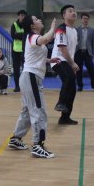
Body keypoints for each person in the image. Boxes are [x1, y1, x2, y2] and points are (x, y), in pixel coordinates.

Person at [8, 15, 60, 158]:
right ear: (32, 26)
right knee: (38, 111)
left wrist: (49, 60)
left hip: (29, 78)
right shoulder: (32, 37)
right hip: (30, 77)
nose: (40, 20)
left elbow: (35, 56)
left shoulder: (34, 38)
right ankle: (38, 145)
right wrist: (52, 28)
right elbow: (46, 39)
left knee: (27, 111)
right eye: (37, 19)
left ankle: (16, 139)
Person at [51, 5, 80, 125]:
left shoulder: (75, 30)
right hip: (58, 60)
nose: (74, 13)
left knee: (72, 89)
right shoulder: (61, 29)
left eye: (74, 11)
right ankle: (61, 103)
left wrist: (72, 64)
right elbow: (63, 49)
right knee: (69, 78)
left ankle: (65, 118)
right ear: (64, 15)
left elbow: (71, 51)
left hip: (67, 61)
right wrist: (72, 64)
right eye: (70, 11)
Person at [75, 13, 94, 92]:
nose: (85, 20)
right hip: (78, 52)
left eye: (87, 18)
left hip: (87, 52)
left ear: (88, 20)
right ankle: (80, 86)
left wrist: (92, 53)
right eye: (84, 18)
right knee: (78, 70)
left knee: (91, 69)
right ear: (81, 19)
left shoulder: (92, 30)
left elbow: (93, 42)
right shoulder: (77, 29)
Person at [10, 9, 27, 92]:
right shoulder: (14, 25)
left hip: (25, 50)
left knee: (25, 69)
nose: (23, 17)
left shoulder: (27, 25)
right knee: (16, 69)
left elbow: (27, 36)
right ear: (18, 16)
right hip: (15, 50)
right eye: (21, 15)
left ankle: (25, 86)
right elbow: (13, 36)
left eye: (24, 16)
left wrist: (18, 35)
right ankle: (17, 86)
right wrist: (22, 35)